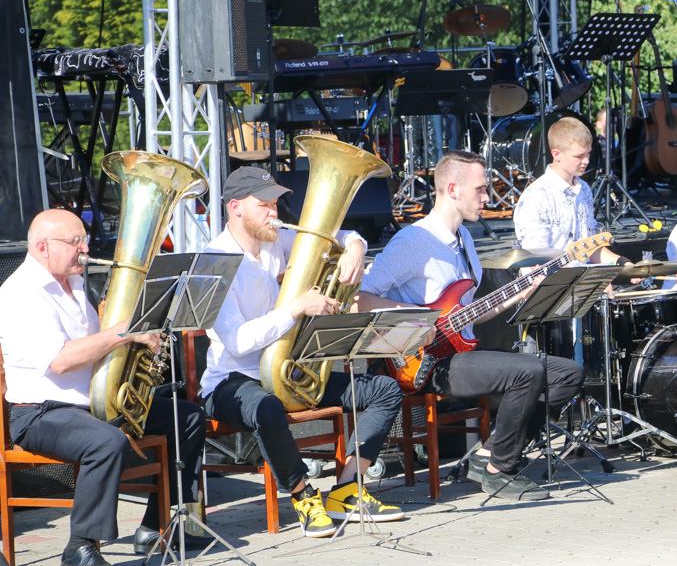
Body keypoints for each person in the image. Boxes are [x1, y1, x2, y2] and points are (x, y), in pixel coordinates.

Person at [355, 150, 584, 501]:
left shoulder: (464, 240)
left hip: (458, 350)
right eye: (480, 189)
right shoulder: (413, 241)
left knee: (567, 374)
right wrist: (415, 319)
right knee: (527, 371)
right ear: (452, 189)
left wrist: (517, 295)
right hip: (424, 362)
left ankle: (486, 456)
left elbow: (469, 313)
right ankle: (499, 471)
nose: (487, 198)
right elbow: (361, 297)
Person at [199, 166, 403, 538]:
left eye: (275, 204)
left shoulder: (276, 239)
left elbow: (339, 236)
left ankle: (346, 492)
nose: (274, 213)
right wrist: (295, 308)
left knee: (385, 390)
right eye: (264, 205)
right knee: (266, 407)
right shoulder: (215, 261)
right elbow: (239, 341)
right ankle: (302, 495)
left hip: (285, 371)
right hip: (231, 379)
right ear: (235, 208)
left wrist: (356, 247)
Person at [0, 209, 209, 566]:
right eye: (75, 241)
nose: (85, 248)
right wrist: (124, 331)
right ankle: (80, 547)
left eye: (85, 239)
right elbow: (61, 360)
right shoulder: (21, 292)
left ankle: (157, 524)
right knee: (105, 441)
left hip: (90, 404)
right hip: (40, 412)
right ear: (42, 247)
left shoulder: (76, 282)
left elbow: (99, 346)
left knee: (186, 417)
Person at [513, 116, 632, 266]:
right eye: (579, 156)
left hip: (584, 281)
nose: (587, 161)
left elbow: (590, 247)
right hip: (554, 284)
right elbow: (536, 261)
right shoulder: (536, 196)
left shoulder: (585, 190)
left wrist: (624, 264)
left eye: (588, 154)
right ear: (556, 154)